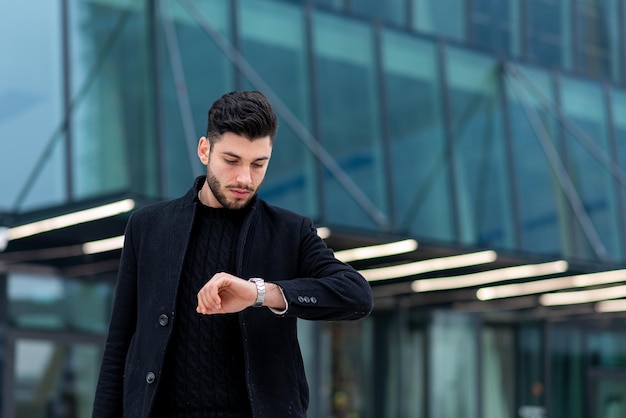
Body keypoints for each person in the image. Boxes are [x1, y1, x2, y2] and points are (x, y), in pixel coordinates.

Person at [92, 90, 374, 418]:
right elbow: (119, 347)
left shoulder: (289, 231)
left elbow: (357, 296)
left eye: (258, 164)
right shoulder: (149, 226)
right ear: (204, 150)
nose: (244, 178)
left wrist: (261, 293)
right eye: (231, 161)